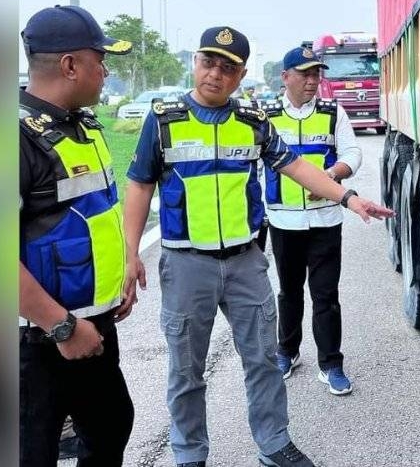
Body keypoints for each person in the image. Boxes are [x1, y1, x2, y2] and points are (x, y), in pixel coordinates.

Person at [122, 27, 392, 467]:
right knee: (186, 371)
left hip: (246, 262)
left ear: (241, 74)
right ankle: (189, 454)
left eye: (227, 67)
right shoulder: (164, 119)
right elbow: (138, 185)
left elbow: (297, 166)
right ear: (195, 62)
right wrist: (130, 254)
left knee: (264, 361)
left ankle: (273, 444)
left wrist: (348, 197)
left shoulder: (252, 122)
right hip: (187, 262)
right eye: (208, 62)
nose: (215, 74)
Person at [19, 5, 136, 467]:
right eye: (99, 59)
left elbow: (98, 216)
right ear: (69, 65)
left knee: (111, 426)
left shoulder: (82, 126)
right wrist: (62, 327)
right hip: (40, 339)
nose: (105, 71)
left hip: (93, 325)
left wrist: (119, 279)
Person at [261, 47, 361, 395]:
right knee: (289, 292)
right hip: (283, 222)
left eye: (316, 73)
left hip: (326, 221)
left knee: (326, 295)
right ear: (285, 76)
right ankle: (287, 352)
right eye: (304, 73)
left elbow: (353, 153)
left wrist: (332, 175)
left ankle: (331, 363)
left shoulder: (333, 112)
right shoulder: (266, 115)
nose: (312, 80)